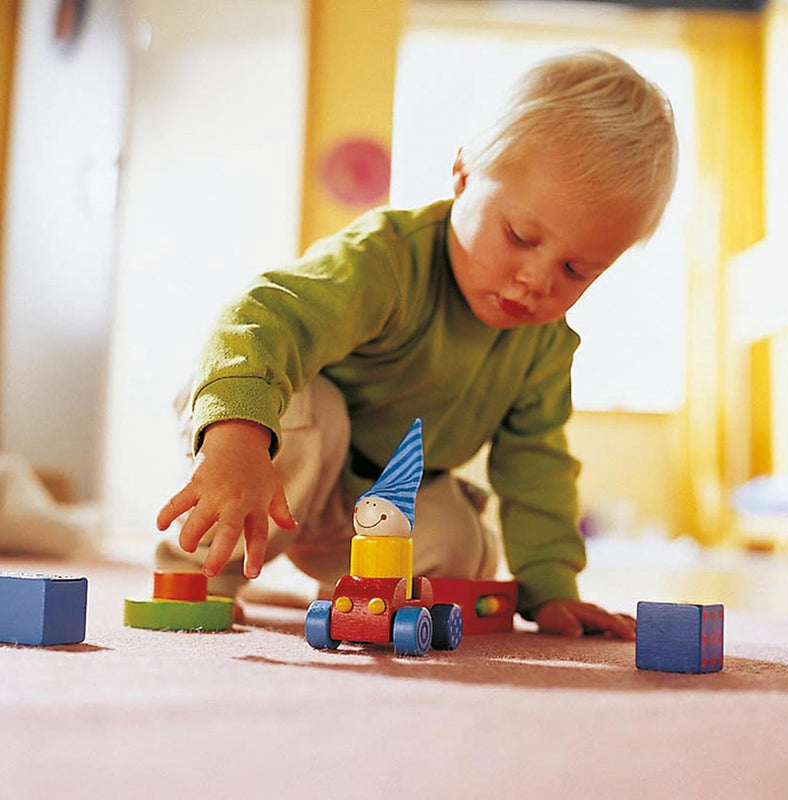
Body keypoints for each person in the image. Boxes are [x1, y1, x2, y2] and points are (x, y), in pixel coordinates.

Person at [156, 48, 678, 640]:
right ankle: (201, 571)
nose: (537, 280)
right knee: (313, 411)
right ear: (463, 174)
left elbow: (537, 466)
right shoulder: (385, 261)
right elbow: (258, 318)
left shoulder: (544, 346)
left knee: (459, 545)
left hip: (374, 507)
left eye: (577, 271)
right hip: (261, 455)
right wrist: (233, 440)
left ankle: (352, 596)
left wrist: (552, 587)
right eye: (520, 236)